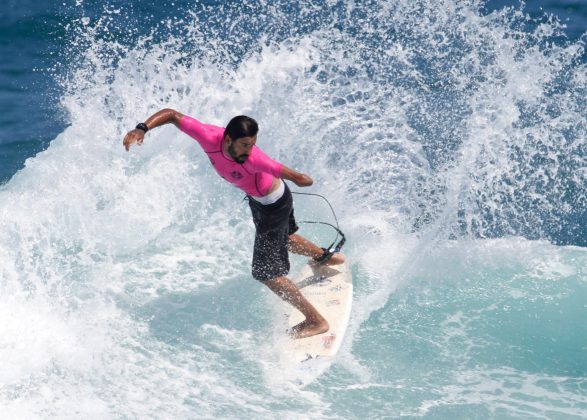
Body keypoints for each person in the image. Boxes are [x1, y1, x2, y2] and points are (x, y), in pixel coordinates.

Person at [123, 109, 344, 339]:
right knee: (285, 240)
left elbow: (301, 179)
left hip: (274, 206)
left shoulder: (256, 158)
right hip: (261, 201)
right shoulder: (208, 135)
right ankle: (327, 258)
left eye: (253, 145)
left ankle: (316, 321)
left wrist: (298, 176)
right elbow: (172, 115)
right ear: (228, 139)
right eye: (245, 145)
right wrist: (142, 128)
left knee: (266, 273)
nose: (249, 150)